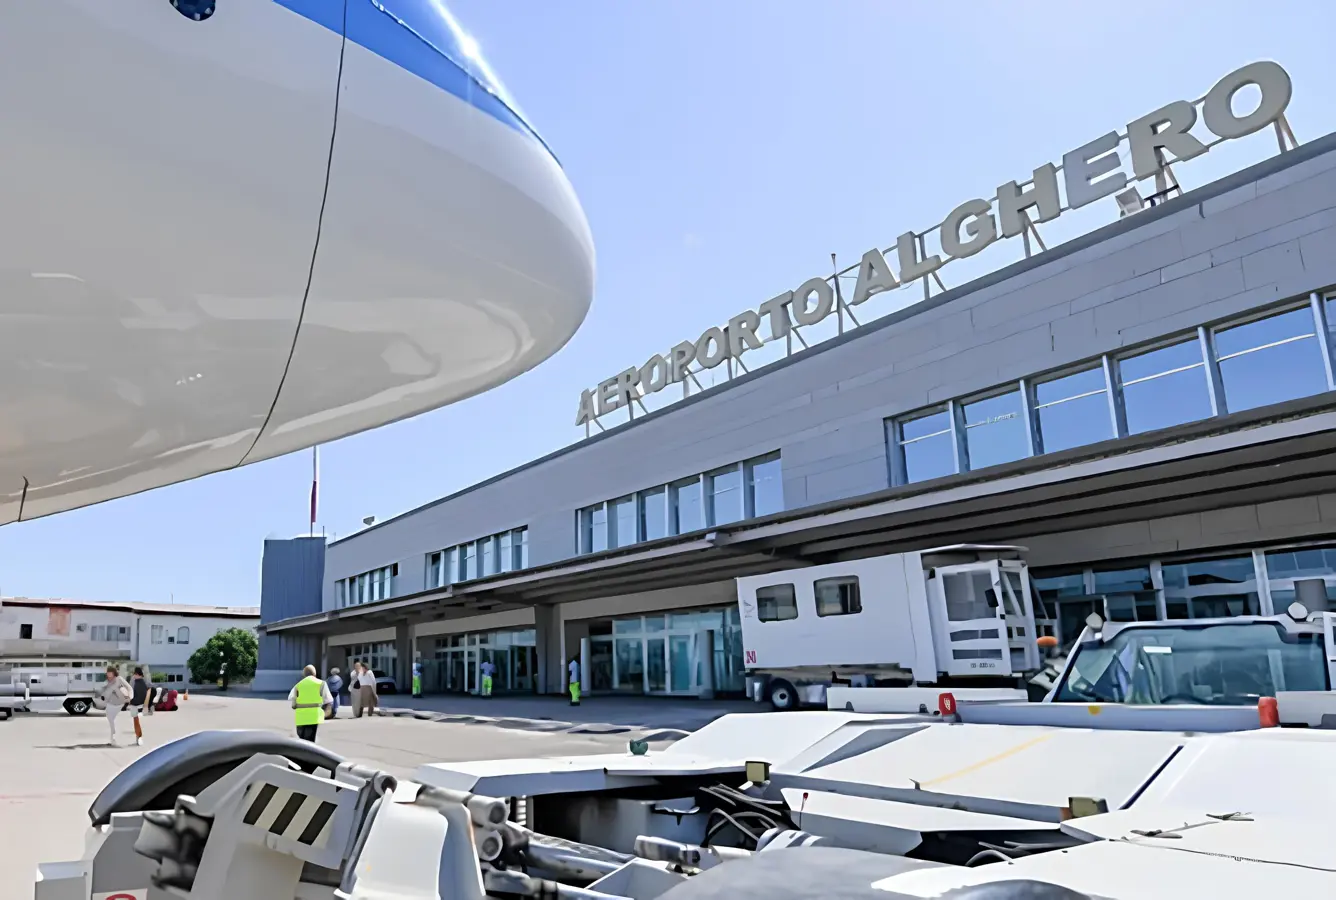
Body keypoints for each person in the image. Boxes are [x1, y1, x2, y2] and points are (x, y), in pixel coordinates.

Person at [288, 665, 333, 742]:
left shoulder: (298, 685)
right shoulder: (321, 684)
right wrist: (326, 713)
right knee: (310, 742)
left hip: (301, 718)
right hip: (314, 717)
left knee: (302, 741)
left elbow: (292, 701)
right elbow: (329, 700)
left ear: (304, 675)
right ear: (315, 674)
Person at [98, 665, 132, 746]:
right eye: (108, 672)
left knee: (115, 721)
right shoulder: (107, 681)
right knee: (111, 721)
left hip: (120, 702)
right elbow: (104, 690)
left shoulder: (119, 679)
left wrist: (130, 696)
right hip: (110, 703)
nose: (109, 674)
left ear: (114, 673)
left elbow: (128, 687)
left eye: (110, 672)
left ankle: (116, 738)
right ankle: (113, 738)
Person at [128, 667, 151, 746]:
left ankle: (139, 737)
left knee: (136, 722)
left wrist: (131, 701)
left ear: (137, 674)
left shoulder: (138, 683)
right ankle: (138, 737)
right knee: (136, 722)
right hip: (140, 705)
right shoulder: (142, 683)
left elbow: (138, 696)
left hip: (136, 705)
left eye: (134, 674)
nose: (134, 676)